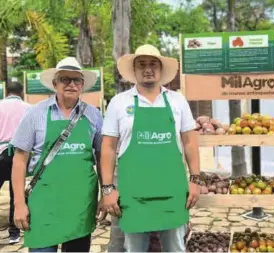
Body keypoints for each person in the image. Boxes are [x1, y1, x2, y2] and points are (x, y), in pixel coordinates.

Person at [100, 44, 200, 252]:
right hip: (133, 194)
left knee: (175, 248)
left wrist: (195, 180)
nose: (148, 69)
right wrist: (107, 189)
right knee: (135, 249)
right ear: (134, 71)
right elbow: (108, 148)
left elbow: (190, 142)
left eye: (153, 64)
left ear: (161, 69)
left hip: (172, 192)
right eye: (142, 64)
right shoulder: (119, 103)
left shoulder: (177, 101)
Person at [10, 57, 106, 252]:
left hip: (81, 204)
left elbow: (103, 157)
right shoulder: (34, 114)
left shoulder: (94, 116)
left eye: (76, 80)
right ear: (55, 83)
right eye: (65, 79)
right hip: (44, 205)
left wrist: (105, 193)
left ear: (82, 85)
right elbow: (19, 161)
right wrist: (19, 204)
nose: (71, 84)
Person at [0, 81, 31, 244]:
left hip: (0, 152)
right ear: (21, 92)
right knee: (16, 194)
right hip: (19, 154)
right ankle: (14, 232)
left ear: (7, 91)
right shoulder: (29, 108)